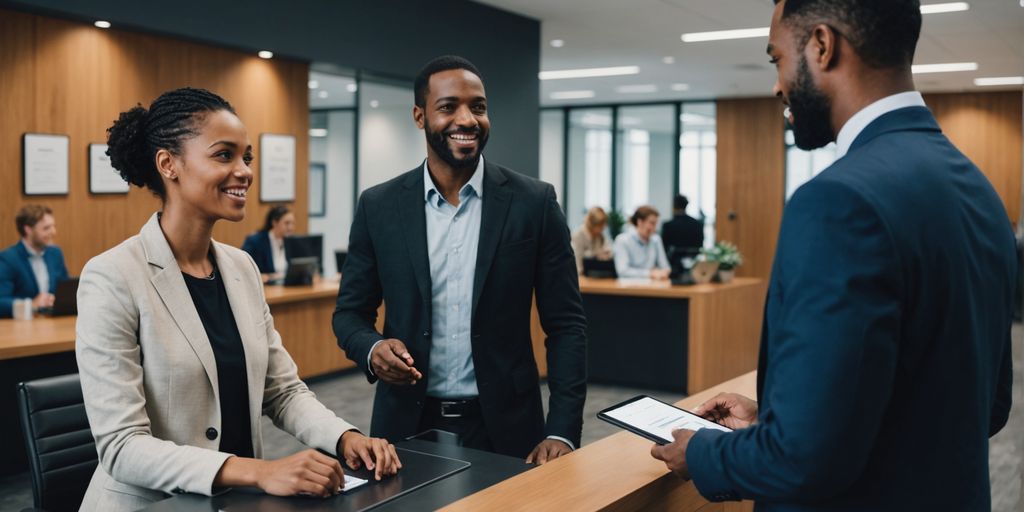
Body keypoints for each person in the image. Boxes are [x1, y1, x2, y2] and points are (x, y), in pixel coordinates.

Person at [650, 1, 1016, 510]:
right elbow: (986, 406)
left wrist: (708, 451)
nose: (777, 85)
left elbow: (801, 462)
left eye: (777, 58)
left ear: (822, 45)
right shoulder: (979, 190)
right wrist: (785, 415)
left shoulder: (840, 202)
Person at [76, 88, 400, 512]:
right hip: (154, 505)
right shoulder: (113, 276)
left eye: (246, 157)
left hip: (238, 502)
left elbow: (282, 391)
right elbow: (121, 447)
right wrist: (259, 471)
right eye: (224, 155)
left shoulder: (241, 268)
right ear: (168, 164)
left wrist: (345, 438)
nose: (244, 171)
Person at [333, 55, 587, 464]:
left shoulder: (534, 203)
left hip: (509, 429)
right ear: (420, 116)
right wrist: (372, 347)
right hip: (406, 426)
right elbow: (349, 314)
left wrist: (562, 429)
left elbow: (567, 326)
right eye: (449, 107)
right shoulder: (379, 206)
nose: (467, 119)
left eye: (479, 107)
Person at [0, 204, 69, 317]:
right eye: (46, 228)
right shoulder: (8, 259)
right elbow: (1, 301)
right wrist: (30, 305)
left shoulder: (55, 253)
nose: (53, 232)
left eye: (53, 226)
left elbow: (65, 290)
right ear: (28, 230)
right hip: (22, 329)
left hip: (54, 323)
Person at [612, 205, 670, 279]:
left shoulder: (656, 240)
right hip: (628, 287)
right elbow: (623, 271)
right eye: (652, 223)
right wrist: (650, 273)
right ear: (640, 222)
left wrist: (663, 272)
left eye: (655, 224)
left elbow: (666, 267)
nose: (654, 228)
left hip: (653, 286)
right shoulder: (622, 240)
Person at [242, 205, 295, 280]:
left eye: (292, 223)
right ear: (274, 223)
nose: (290, 228)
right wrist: (264, 276)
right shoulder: (255, 242)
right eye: (287, 223)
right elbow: (244, 269)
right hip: (265, 288)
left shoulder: (292, 242)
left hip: (288, 288)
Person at [571, 206, 613, 273]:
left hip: (599, 273)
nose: (602, 229)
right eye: (600, 226)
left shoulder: (601, 235)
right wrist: (596, 254)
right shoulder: (578, 235)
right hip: (583, 274)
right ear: (592, 224)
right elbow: (577, 264)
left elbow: (609, 251)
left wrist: (606, 254)